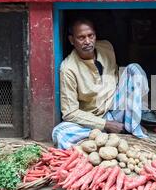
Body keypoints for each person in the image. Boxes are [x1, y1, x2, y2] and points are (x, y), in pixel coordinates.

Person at [52, 18, 149, 149]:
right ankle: (111, 134)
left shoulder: (106, 47)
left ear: (95, 35)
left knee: (134, 69)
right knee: (60, 132)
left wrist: (130, 105)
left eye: (90, 36)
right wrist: (105, 124)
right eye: (81, 38)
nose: (87, 41)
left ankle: (132, 126)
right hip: (92, 118)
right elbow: (70, 113)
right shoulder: (68, 68)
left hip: (115, 107)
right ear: (72, 40)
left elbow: (117, 74)